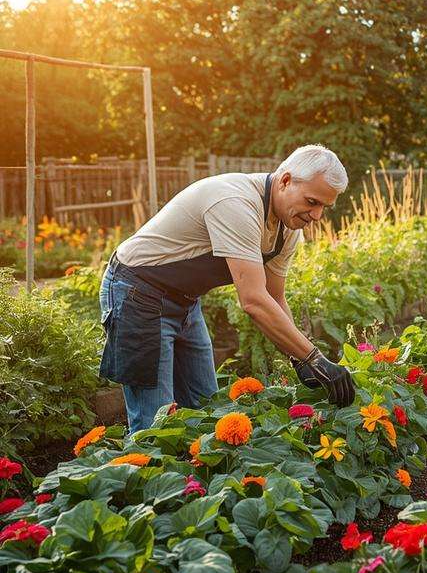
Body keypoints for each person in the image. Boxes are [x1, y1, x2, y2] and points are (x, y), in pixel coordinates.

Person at [98, 144, 357, 431]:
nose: (317, 215)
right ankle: (140, 472)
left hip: (184, 301)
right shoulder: (236, 203)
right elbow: (253, 301)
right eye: (312, 201)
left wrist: (300, 359)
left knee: (206, 411)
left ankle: (189, 476)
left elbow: (275, 298)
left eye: (324, 206)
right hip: (137, 293)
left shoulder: (287, 229)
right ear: (285, 181)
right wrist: (315, 358)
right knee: (155, 426)